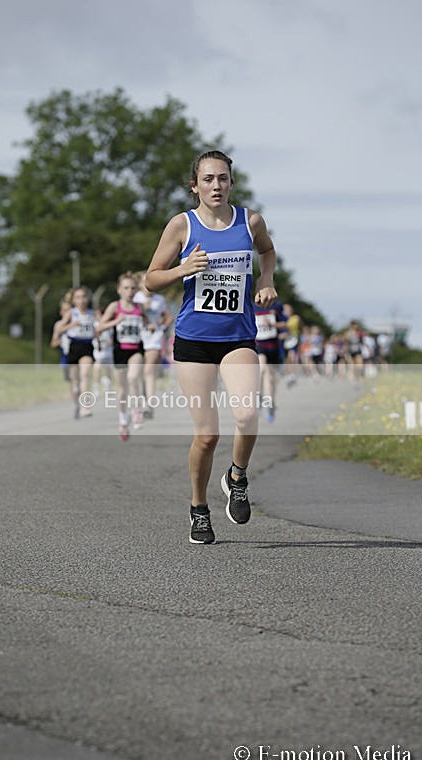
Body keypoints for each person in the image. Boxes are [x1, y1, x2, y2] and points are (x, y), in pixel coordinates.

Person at [146, 150, 276, 544]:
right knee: (206, 436)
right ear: (194, 186)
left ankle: (237, 476)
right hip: (194, 340)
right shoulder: (181, 226)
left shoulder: (249, 222)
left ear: (231, 183)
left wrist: (266, 280)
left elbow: (267, 252)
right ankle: (198, 509)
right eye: (207, 179)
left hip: (238, 337)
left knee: (248, 413)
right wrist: (181, 269)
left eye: (222, 178)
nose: (216, 186)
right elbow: (150, 279)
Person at [96, 272, 149, 440]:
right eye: (126, 288)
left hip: (136, 349)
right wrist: (115, 321)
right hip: (119, 350)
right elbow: (99, 328)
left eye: (133, 288)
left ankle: (136, 412)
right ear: (119, 290)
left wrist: (152, 326)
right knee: (122, 389)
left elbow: (147, 320)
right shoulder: (114, 307)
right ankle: (123, 419)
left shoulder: (139, 307)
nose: (130, 291)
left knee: (133, 378)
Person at [133, 270, 174, 418]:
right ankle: (140, 400)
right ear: (138, 284)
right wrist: (142, 308)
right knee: (138, 371)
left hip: (153, 337)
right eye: (143, 283)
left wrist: (161, 328)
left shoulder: (159, 299)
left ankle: (149, 404)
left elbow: (169, 317)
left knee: (149, 370)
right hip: (137, 337)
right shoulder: (135, 297)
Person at [59, 286, 96, 419]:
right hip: (74, 346)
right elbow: (59, 329)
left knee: (85, 374)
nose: (82, 300)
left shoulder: (92, 313)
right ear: (74, 300)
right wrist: (70, 325)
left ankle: (86, 406)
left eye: (84, 297)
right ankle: (77, 404)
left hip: (87, 345)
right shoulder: (71, 313)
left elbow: (97, 329)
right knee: (75, 381)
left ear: (88, 298)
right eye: (78, 297)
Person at [254, 298, 286, 422]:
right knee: (262, 370)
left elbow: (285, 323)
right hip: (259, 345)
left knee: (271, 379)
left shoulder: (276, 306)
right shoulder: (252, 306)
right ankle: (259, 398)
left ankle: (270, 403)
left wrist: (273, 325)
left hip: (273, 346)